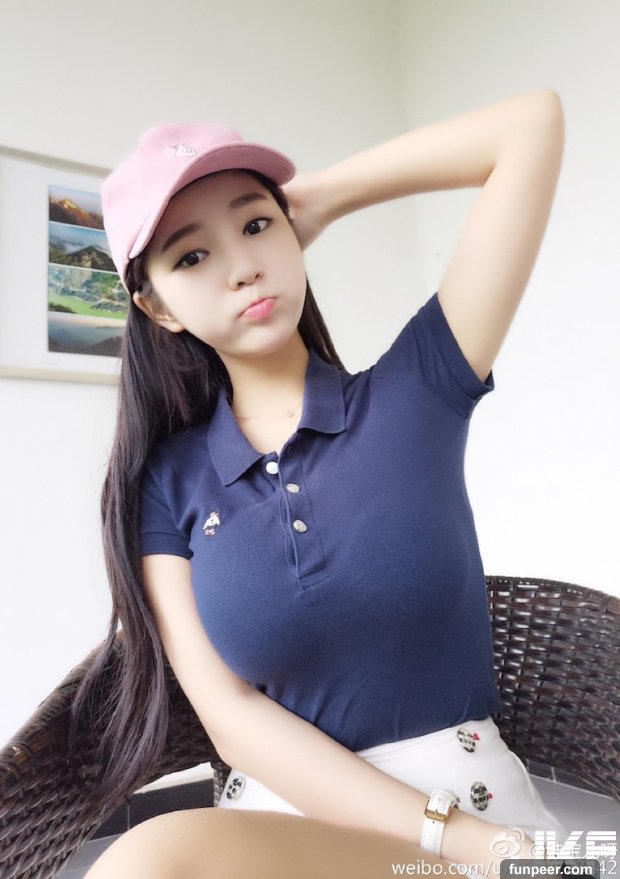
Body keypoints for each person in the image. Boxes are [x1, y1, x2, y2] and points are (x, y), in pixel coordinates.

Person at [78, 89, 566, 878]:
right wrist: (458, 840)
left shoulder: (416, 389)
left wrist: (319, 198)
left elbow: (532, 124)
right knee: (145, 862)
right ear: (155, 306)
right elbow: (233, 718)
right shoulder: (165, 483)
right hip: (286, 834)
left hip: (487, 830)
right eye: (192, 256)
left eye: (255, 225)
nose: (243, 267)